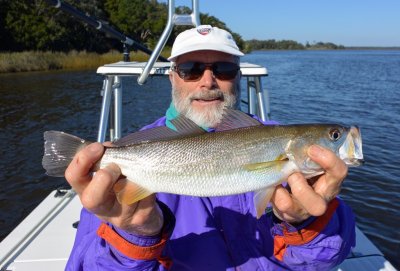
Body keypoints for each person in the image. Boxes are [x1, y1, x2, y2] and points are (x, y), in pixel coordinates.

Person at [64, 25, 355, 271]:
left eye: (224, 69)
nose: (208, 81)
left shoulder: (281, 141)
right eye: (190, 69)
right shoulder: (133, 156)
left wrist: (306, 223)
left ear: (238, 75)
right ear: (171, 76)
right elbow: (84, 263)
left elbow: (323, 260)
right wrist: (135, 235)